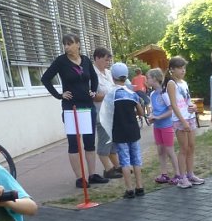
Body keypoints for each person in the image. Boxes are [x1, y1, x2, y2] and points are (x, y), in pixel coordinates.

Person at [41, 33, 108, 188]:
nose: (66, 47)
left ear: (78, 44)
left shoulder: (85, 60)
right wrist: (59, 95)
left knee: (90, 142)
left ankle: (92, 175)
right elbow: (45, 79)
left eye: (69, 43)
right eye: (64, 44)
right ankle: (80, 178)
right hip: (71, 108)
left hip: (87, 106)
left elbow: (94, 77)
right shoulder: (61, 61)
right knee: (74, 143)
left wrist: (92, 91)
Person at [103, 63, 144, 199]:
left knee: (125, 161)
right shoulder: (132, 94)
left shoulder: (111, 95)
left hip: (119, 132)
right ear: (126, 76)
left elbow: (106, 114)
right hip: (133, 131)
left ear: (113, 77)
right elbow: (141, 112)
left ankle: (129, 189)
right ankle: (140, 187)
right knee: (136, 159)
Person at [165, 56, 204, 187]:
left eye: (184, 68)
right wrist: (183, 121)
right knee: (184, 148)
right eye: (180, 68)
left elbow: (187, 100)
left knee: (191, 146)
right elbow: (174, 105)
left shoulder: (184, 83)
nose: (183, 70)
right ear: (172, 69)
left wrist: (192, 106)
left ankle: (190, 174)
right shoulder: (171, 84)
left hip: (190, 117)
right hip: (179, 119)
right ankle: (182, 178)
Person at [147, 67, 188, 188]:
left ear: (155, 79)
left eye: (148, 78)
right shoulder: (153, 94)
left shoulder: (164, 93)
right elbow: (155, 110)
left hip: (166, 126)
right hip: (157, 126)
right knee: (160, 150)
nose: (146, 80)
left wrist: (159, 117)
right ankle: (164, 174)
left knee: (170, 150)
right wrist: (152, 116)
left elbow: (171, 110)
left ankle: (178, 174)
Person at [91, 47, 122, 179]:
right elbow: (93, 96)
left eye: (109, 60)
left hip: (112, 113)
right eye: (105, 59)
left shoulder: (109, 73)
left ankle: (117, 166)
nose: (108, 62)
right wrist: (108, 95)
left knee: (112, 142)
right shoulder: (92, 74)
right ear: (97, 58)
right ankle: (108, 169)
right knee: (104, 141)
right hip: (100, 114)